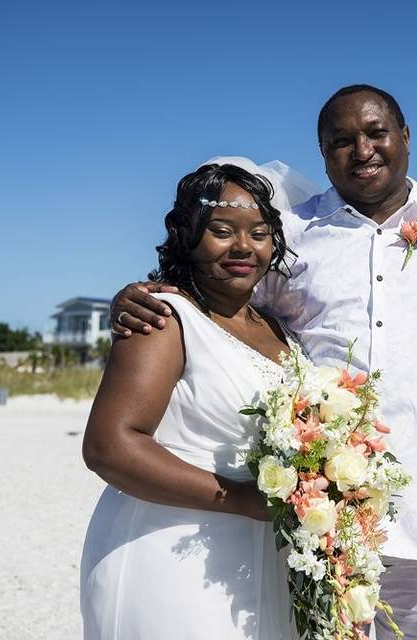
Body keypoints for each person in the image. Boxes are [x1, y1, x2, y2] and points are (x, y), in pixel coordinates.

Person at [110, 84, 417, 640]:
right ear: (323, 154)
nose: (361, 150)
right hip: (320, 521)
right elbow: (220, 306)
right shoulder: (293, 235)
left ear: (406, 137)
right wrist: (142, 295)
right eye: (340, 141)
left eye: (375, 133)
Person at [80, 162, 304, 640]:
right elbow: (109, 446)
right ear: (185, 233)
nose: (243, 247)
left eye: (260, 233)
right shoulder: (162, 317)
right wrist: (241, 498)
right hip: (169, 556)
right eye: (222, 231)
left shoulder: (277, 329)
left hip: (258, 561)